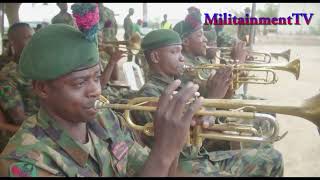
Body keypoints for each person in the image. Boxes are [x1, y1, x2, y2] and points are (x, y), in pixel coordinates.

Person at [0, 24, 283, 177]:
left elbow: (152, 170)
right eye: (79, 83)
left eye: (97, 77)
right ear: (42, 88)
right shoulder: (23, 162)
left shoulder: (104, 118)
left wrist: (175, 139)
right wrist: (162, 151)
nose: (96, 90)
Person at [0, 22, 38, 151]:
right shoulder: (8, 76)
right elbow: (19, 119)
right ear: (13, 43)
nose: (33, 42)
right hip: (27, 139)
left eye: (33, 37)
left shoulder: (36, 67)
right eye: (27, 38)